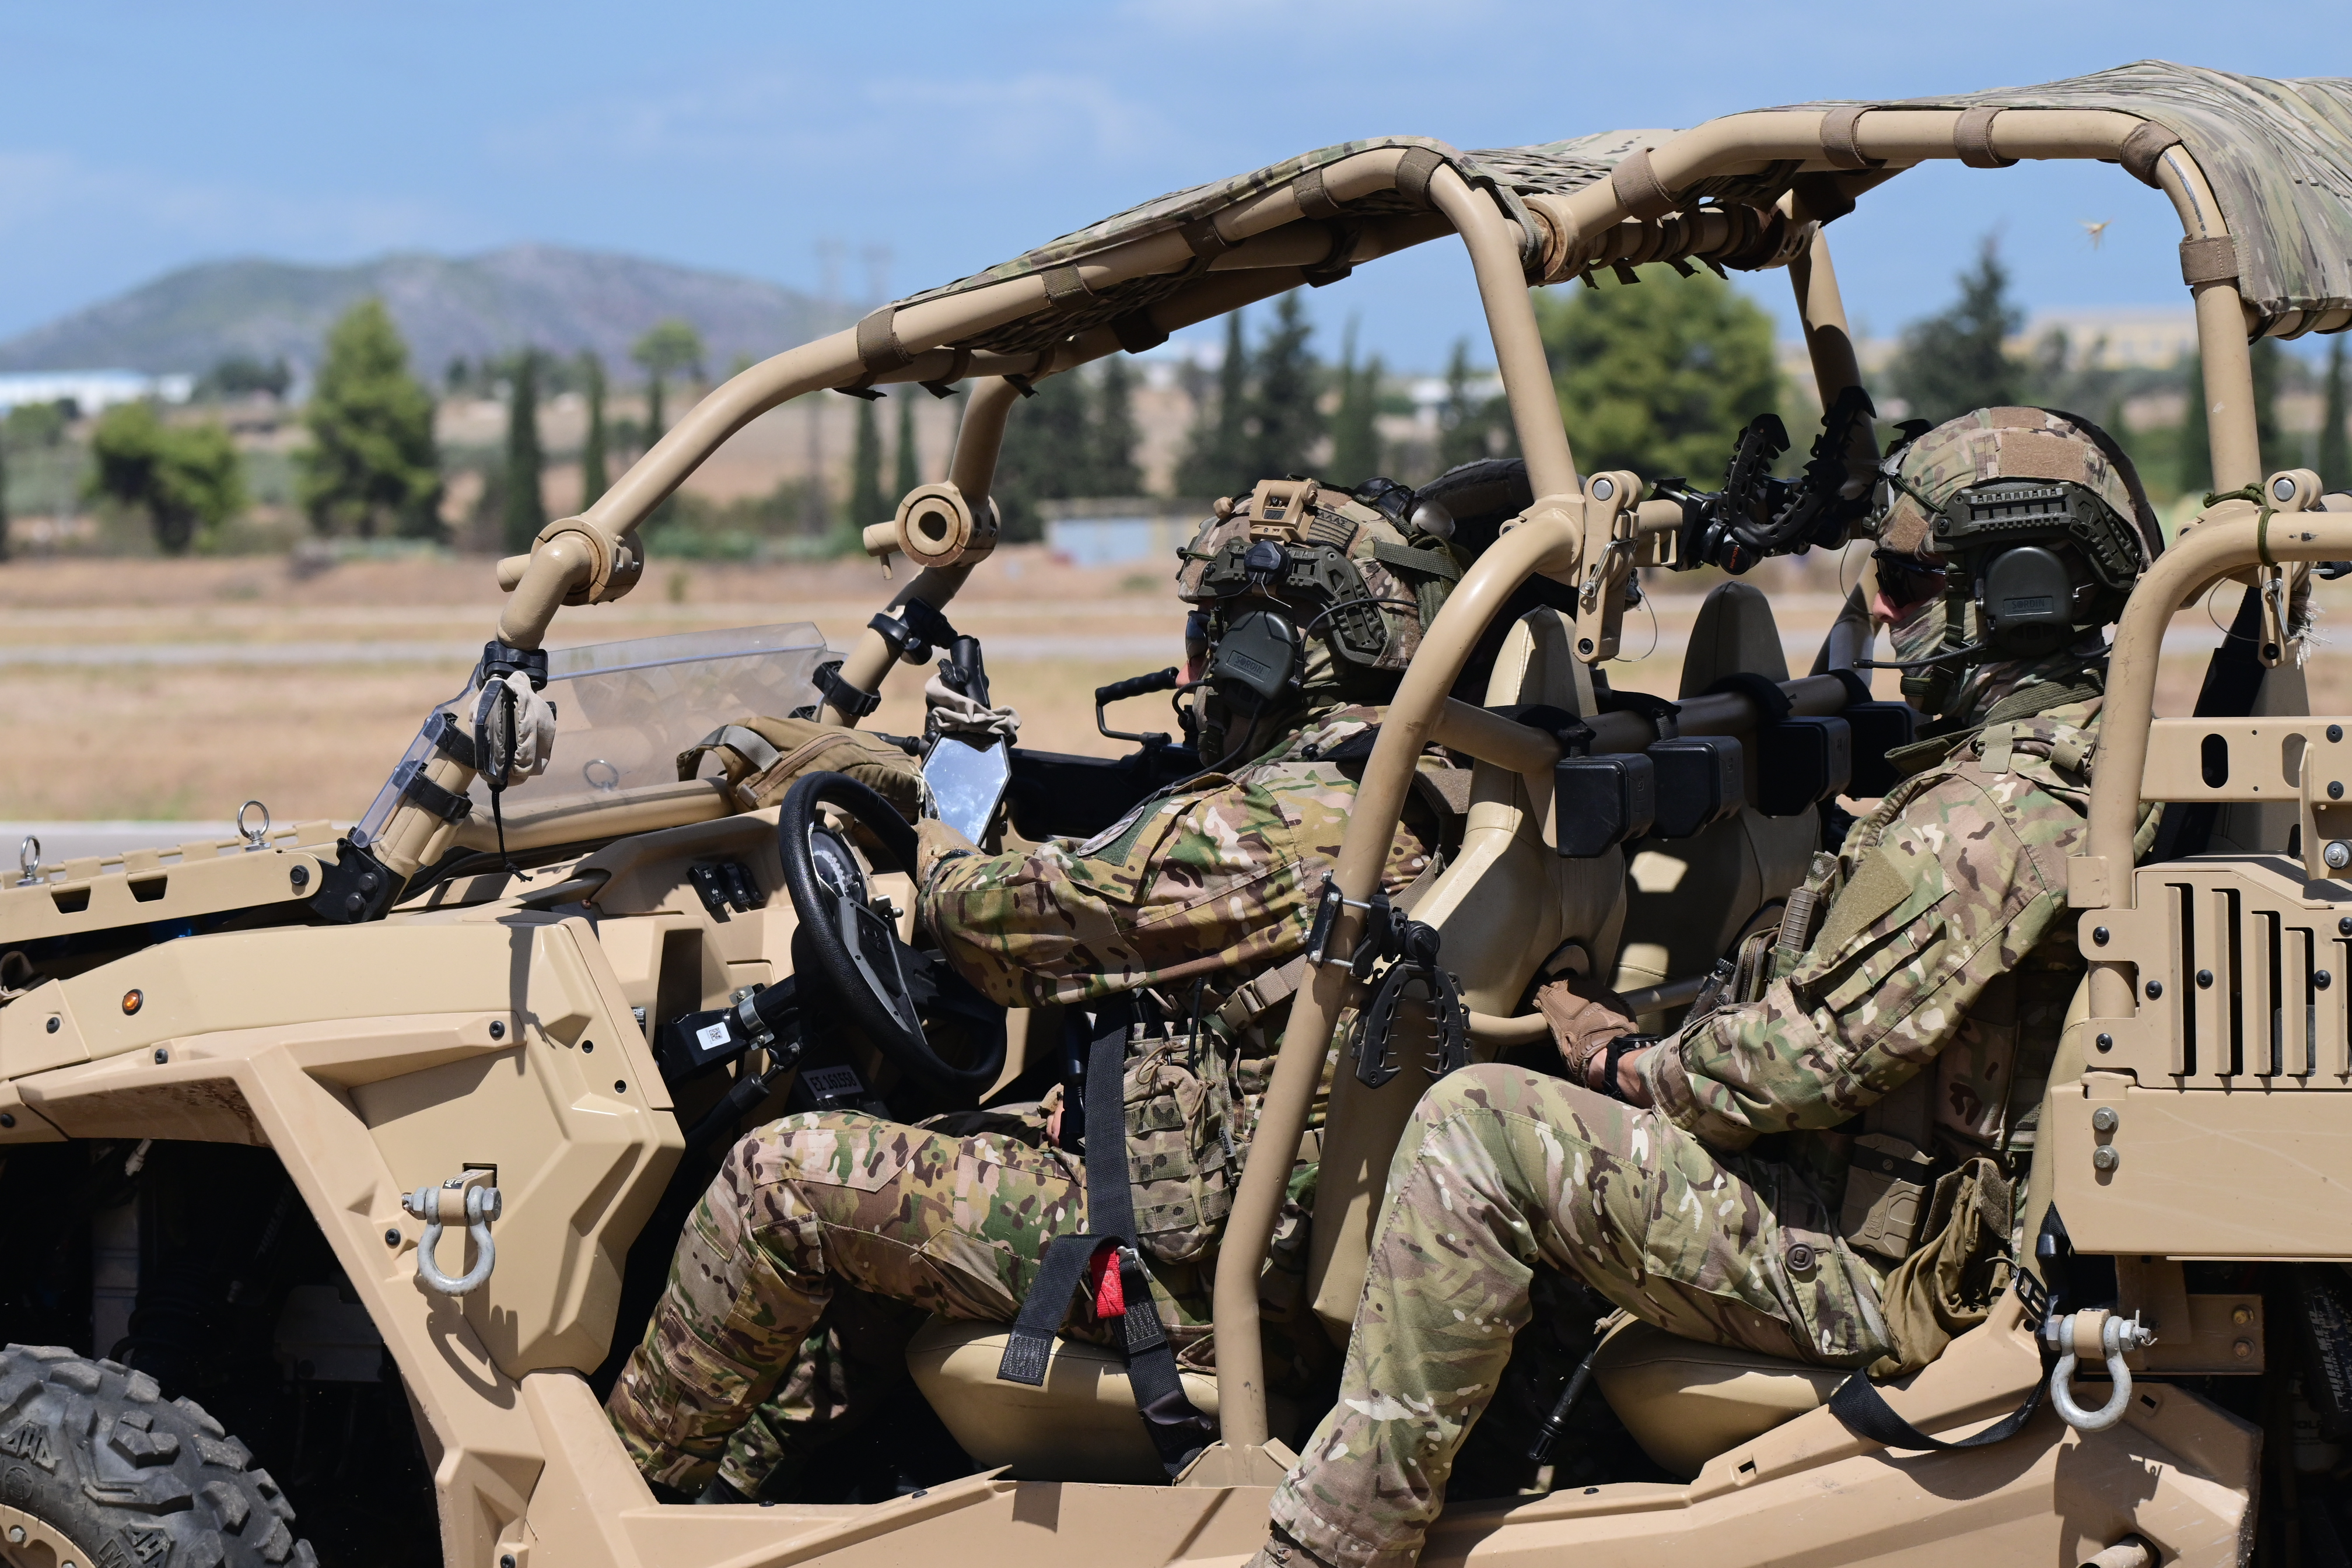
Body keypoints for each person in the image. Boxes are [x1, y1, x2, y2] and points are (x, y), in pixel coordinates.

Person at [1248, 407, 2170, 1568]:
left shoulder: (1987, 816)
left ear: (2018, 594)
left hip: (1885, 1273)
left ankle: (1335, 1545)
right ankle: (1519, 1473)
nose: (1884, 612)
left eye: (1904, 580)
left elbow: (1804, 1064)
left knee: (1480, 1129)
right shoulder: (2091, 760)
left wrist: (1628, 1064)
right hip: (1907, 1220)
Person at [606, 470, 1485, 1502]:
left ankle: (622, 1508)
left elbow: (989, 932)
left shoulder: (1270, 824)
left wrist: (937, 827)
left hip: (1197, 1286)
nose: (1194, 672)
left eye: (1210, 638)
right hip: (1251, 1229)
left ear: (1268, 650)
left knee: (782, 1179)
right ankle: (736, 1502)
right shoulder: (1409, 780)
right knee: (919, 1169)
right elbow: (1137, 829)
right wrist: (925, 771)